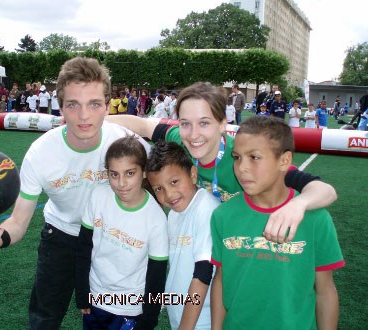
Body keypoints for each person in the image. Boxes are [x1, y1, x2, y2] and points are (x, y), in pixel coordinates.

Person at [0, 57, 150, 329]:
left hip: (112, 240)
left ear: (106, 105)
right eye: (73, 105)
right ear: (61, 107)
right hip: (60, 237)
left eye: (94, 104)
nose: (84, 116)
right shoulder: (41, 153)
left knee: (115, 317)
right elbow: (19, 221)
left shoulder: (126, 143)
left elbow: (163, 178)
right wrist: (2, 237)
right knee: (45, 317)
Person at [105, 82, 337, 243]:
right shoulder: (182, 140)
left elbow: (324, 190)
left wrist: (298, 205)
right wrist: (94, 122)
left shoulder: (243, 156)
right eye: (185, 123)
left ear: (222, 124)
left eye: (204, 123)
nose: (194, 134)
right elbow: (142, 125)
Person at [210, 116, 345, 329]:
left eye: (254, 157)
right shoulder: (223, 215)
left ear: (284, 160)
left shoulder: (316, 218)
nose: (241, 167)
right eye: (237, 157)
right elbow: (220, 278)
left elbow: (325, 290)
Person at [75, 136, 168, 330]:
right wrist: (82, 291)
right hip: (95, 299)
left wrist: (149, 319)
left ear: (144, 172)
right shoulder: (98, 196)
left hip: (130, 308)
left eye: (130, 173)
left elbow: (156, 275)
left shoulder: (156, 219)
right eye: (114, 174)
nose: (122, 183)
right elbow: (84, 247)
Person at [146, 141, 220, 329]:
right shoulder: (174, 214)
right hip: (181, 315)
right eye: (159, 189)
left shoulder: (207, 209)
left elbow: (203, 274)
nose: (169, 194)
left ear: (193, 175)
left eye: (174, 182)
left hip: (201, 320)